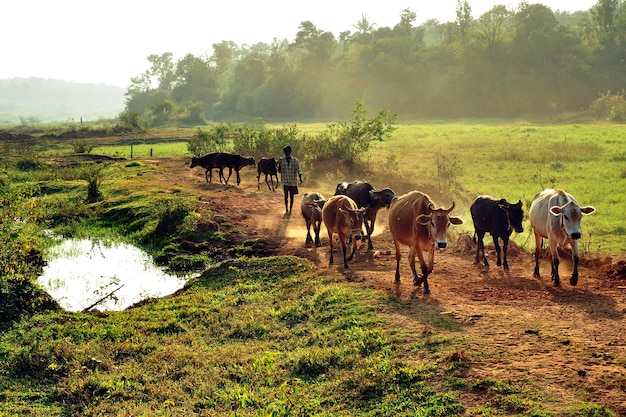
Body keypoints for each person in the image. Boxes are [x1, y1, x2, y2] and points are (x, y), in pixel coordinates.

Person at [276, 145, 303, 217]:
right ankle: (286, 209)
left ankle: (290, 209)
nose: (287, 153)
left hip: (293, 181)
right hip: (285, 181)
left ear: (291, 152)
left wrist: (300, 177)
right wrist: (278, 163)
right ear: (284, 152)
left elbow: (299, 169)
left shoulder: (295, 160)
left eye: (288, 151)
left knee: (291, 196)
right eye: (286, 151)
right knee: (285, 196)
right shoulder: (282, 160)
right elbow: (278, 170)